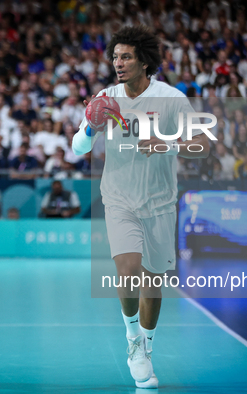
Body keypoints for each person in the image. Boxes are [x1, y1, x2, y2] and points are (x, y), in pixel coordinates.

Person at [71, 26, 210, 389]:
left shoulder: (172, 99)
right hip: (118, 198)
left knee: (152, 285)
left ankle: (146, 346)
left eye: (126, 56)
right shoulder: (106, 98)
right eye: (115, 57)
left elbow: (203, 147)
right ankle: (133, 340)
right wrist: (89, 129)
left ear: (144, 61)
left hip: (161, 203)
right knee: (129, 269)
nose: (118, 63)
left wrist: (167, 143)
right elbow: (77, 149)